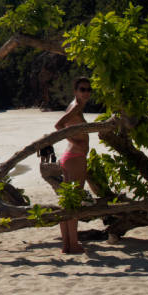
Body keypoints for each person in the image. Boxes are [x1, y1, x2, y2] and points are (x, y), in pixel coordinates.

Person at [54, 77, 92, 254]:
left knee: (67, 201)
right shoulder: (76, 106)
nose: (86, 92)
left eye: (88, 89)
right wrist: (76, 142)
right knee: (73, 201)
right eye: (82, 89)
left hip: (71, 157)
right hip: (75, 156)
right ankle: (73, 244)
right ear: (76, 91)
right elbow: (59, 125)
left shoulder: (75, 106)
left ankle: (67, 244)